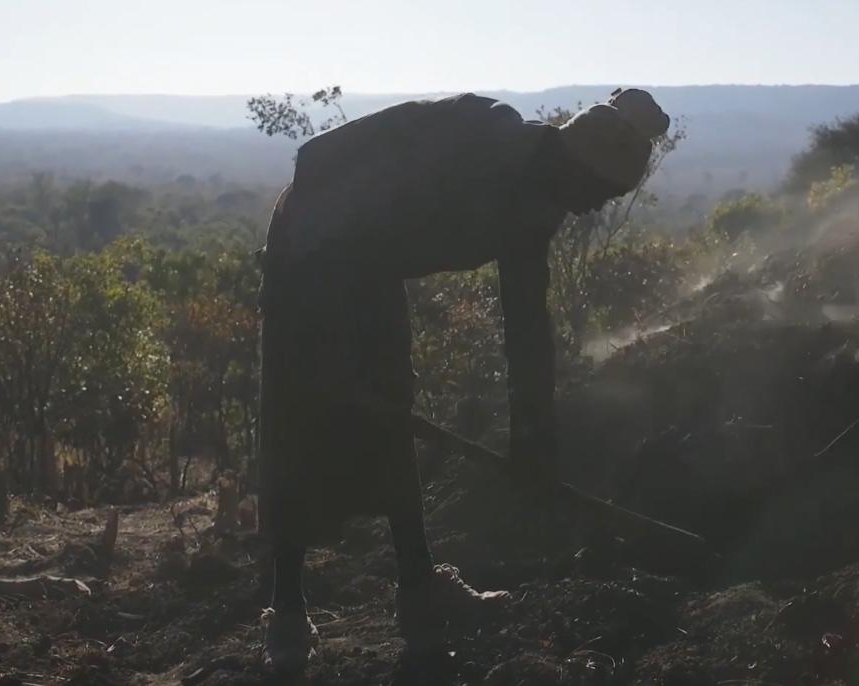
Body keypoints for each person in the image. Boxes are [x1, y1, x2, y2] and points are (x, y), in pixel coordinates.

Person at [256, 88, 670, 672]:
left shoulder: (538, 205)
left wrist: (532, 438)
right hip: (309, 256)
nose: (591, 209)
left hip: (371, 275)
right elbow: (316, 156)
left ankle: (419, 594)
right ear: (569, 161)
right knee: (299, 424)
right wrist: (325, 339)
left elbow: (527, 324)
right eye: (597, 193)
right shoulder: (477, 134)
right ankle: (288, 613)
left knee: (391, 412)